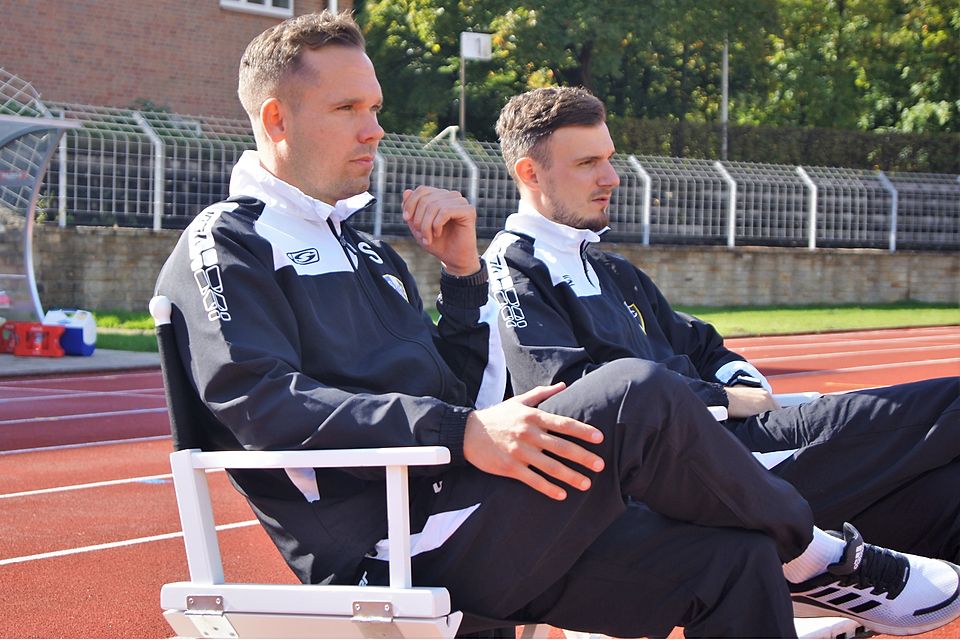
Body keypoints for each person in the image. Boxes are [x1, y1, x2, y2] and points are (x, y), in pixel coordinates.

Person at [155, 12, 960, 638]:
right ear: (276, 118)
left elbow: (466, 387)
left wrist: (464, 279)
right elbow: (261, 404)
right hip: (384, 542)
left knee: (732, 560)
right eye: (348, 108)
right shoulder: (227, 244)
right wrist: (460, 432)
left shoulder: (367, 252)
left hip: (469, 506)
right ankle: (814, 552)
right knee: (633, 391)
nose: (375, 128)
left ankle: (785, 551)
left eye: (375, 108)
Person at [483, 85, 960, 564]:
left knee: (949, 496)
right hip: (689, 477)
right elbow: (572, 399)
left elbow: (705, 346)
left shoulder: (612, 268)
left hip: (740, 446)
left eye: (610, 158)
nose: (612, 177)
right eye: (588, 163)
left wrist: (743, 387)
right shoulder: (511, 268)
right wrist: (725, 401)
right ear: (530, 172)